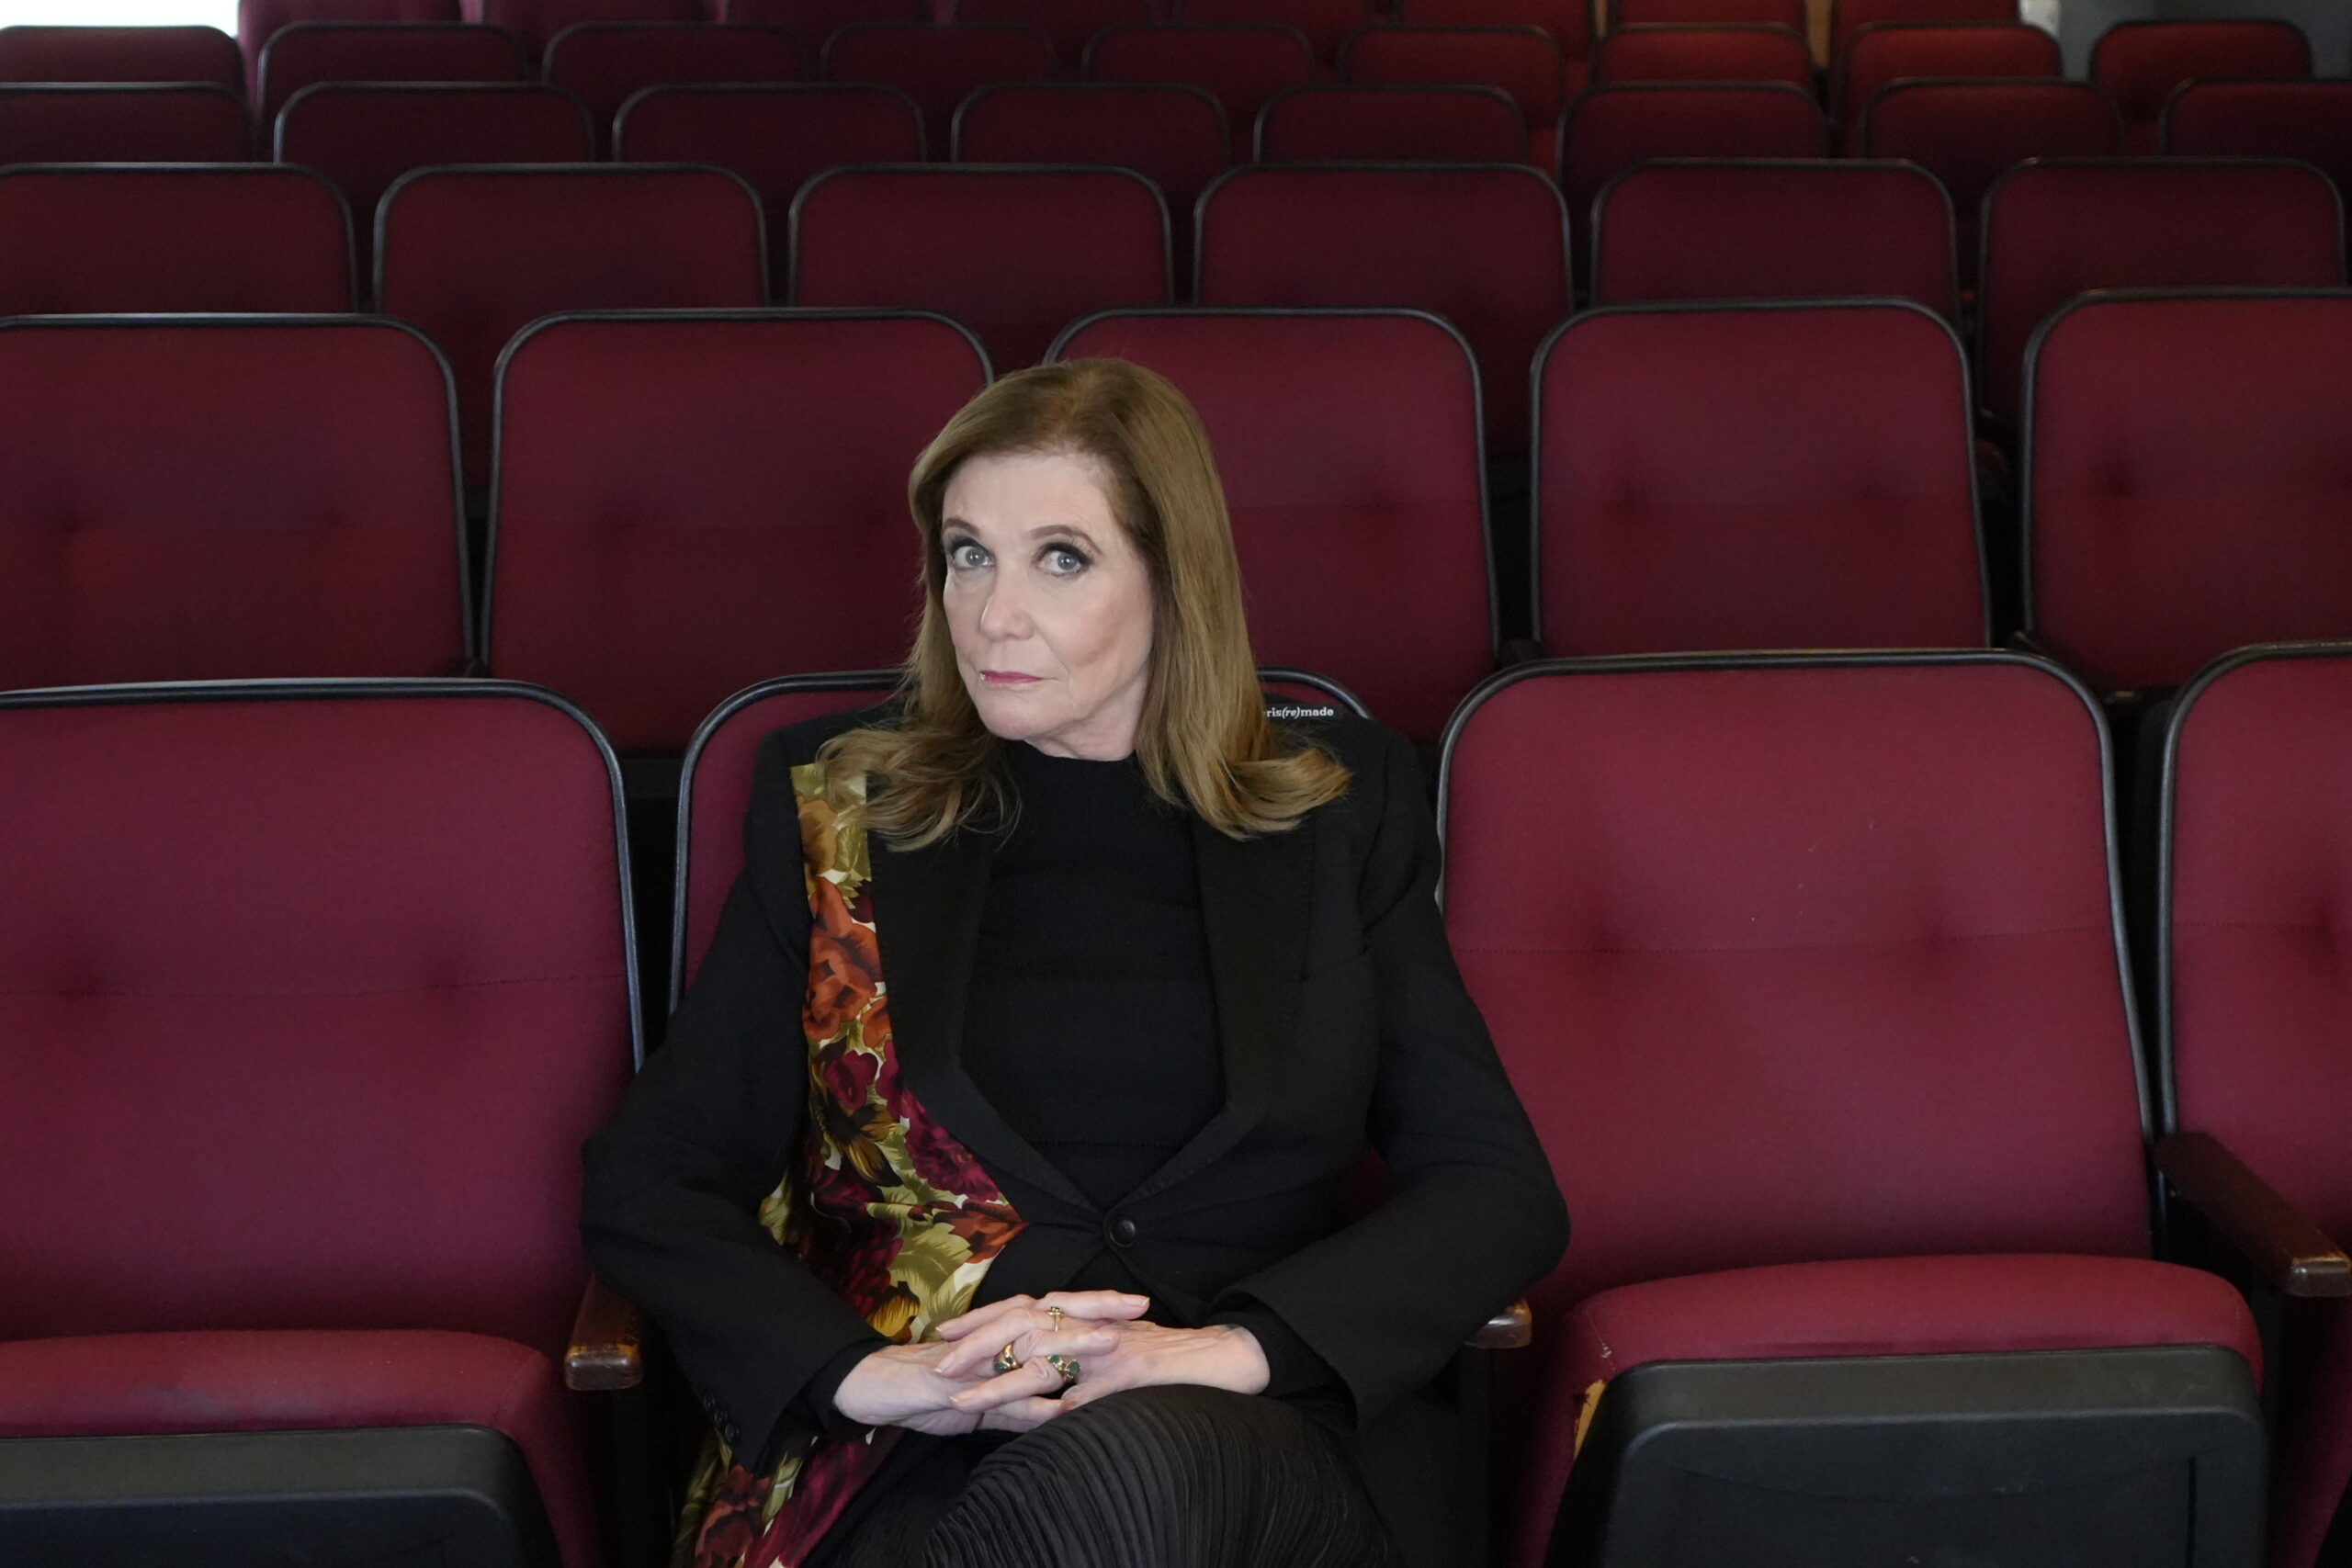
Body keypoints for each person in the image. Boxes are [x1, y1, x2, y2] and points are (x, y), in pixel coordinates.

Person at [581, 359, 1568, 1568]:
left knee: (1155, 1467)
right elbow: (650, 1179)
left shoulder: (1335, 817)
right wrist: (864, 1374)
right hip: (922, 1439)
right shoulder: (841, 812)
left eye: (1060, 557)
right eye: (966, 553)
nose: (995, 613)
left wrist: (1226, 1352)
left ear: (1172, 579)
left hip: (1262, 1441)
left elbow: (1495, 1187)